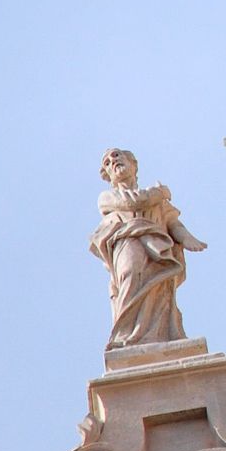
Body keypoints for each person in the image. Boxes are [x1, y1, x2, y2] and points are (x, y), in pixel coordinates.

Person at [88, 147, 206, 349]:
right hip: (128, 241)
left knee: (160, 287)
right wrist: (159, 193)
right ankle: (127, 333)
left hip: (159, 245)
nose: (113, 161)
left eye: (116, 155)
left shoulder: (157, 200)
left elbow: (172, 222)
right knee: (130, 274)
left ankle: (160, 334)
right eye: (107, 162)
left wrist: (187, 238)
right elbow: (130, 202)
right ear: (107, 174)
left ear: (133, 164)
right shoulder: (107, 197)